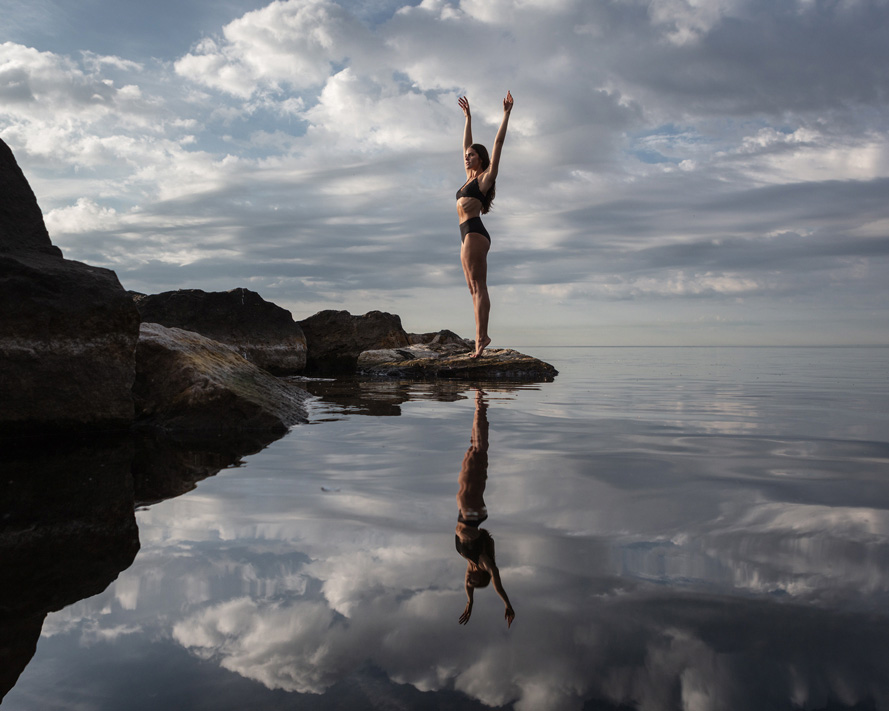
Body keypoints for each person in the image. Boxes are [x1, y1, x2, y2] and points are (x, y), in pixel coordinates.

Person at [456, 91, 513, 359]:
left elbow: (498, 142)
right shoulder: (468, 177)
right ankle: (480, 336)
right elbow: (466, 143)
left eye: (471, 155)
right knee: (472, 289)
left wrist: (506, 114)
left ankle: (481, 339)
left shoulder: (485, 179)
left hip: (476, 233)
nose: (467, 157)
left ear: (480, 158)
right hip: (465, 234)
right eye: (466, 155)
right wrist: (468, 118)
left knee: (479, 287)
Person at [455, 390, 515, 628]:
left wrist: (470, 603)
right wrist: (507, 604)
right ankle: (481, 403)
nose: (468, 580)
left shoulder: (469, 562)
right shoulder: (483, 562)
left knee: (473, 450)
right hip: (471, 510)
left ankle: (479, 404)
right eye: (473, 580)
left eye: (469, 580)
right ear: (481, 574)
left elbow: (467, 586)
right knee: (479, 452)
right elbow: (497, 581)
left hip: (468, 509)